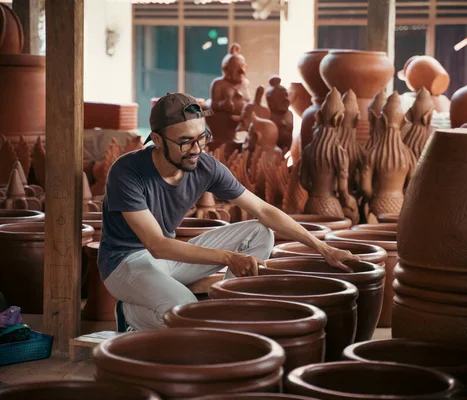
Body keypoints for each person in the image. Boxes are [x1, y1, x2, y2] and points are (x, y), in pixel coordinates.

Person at [98, 92, 359, 332]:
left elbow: (263, 209)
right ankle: (131, 313)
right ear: (156, 139)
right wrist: (228, 257)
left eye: (202, 137)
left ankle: (226, 307)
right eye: (186, 142)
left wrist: (323, 248)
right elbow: (156, 245)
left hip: (168, 258)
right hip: (125, 263)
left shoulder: (205, 166)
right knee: (186, 314)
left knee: (259, 231)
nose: (197, 149)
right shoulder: (127, 172)